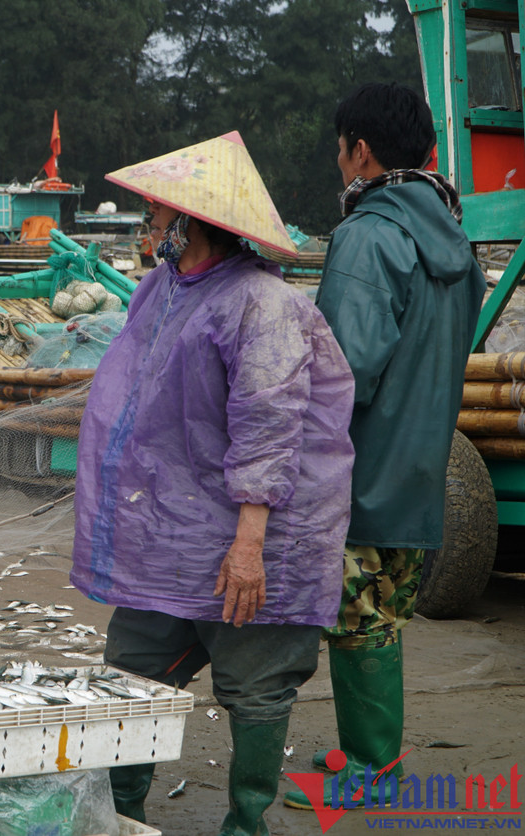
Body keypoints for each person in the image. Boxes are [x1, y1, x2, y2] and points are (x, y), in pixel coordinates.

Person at [71, 132, 356, 835]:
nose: (148, 225)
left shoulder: (262, 305)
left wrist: (249, 544)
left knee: (255, 688)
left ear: (193, 225)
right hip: (166, 537)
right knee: (132, 672)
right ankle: (123, 815)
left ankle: (247, 821)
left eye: (157, 215)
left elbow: (269, 430)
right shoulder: (160, 289)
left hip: (254, 536)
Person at [284, 83, 485, 811]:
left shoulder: (368, 235)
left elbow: (346, 373)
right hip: (424, 464)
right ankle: (372, 751)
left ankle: (370, 771)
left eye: (340, 150)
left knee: (357, 618)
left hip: (363, 471)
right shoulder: (456, 241)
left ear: (360, 152)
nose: (339, 164)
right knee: (382, 612)